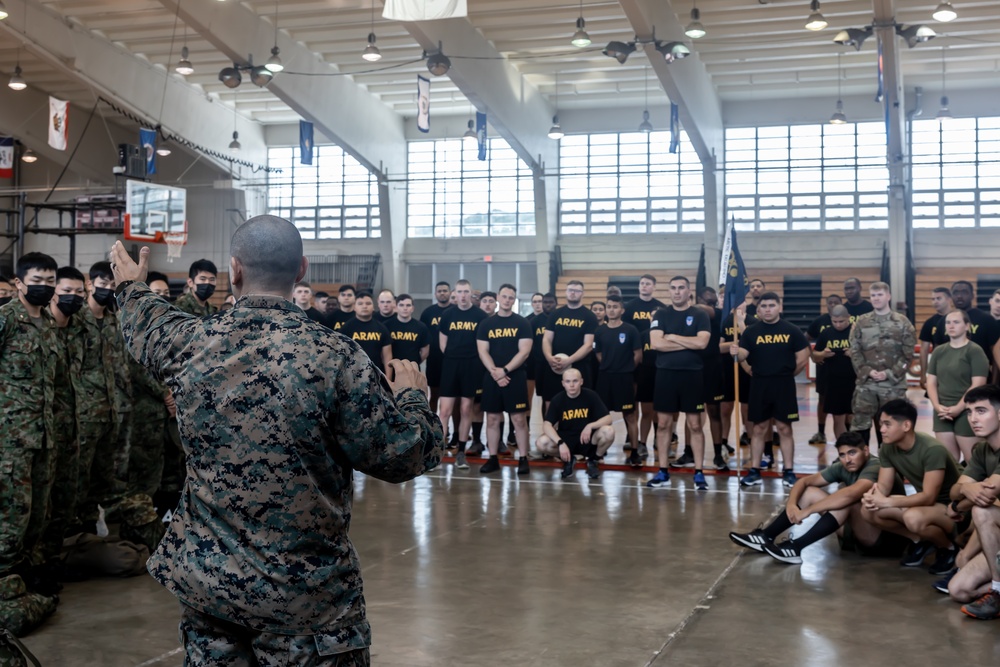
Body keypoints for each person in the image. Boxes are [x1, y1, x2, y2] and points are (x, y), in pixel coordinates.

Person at [109, 216, 443, 665]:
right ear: (301, 270)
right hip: (306, 601)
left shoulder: (190, 343)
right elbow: (403, 455)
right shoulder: (337, 356)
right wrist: (413, 399)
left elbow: (145, 324)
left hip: (212, 592)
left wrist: (130, 288)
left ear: (235, 270)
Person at [729, 432, 907, 564]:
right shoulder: (843, 466)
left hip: (883, 540)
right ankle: (766, 536)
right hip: (855, 535)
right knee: (810, 492)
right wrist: (792, 505)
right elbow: (804, 482)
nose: (847, 459)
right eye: (842, 455)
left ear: (866, 450)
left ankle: (797, 547)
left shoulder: (875, 466)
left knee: (847, 498)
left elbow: (851, 493)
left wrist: (806, 512)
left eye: (852, 453)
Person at [0, 252, 58, 597]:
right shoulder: (6, 319)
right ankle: (5, 582)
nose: (45, 288)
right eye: (37, 282)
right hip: (11, 440)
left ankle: (27, 573)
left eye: (49, 282)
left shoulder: (48, 324)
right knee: (11, 516)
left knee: (38, 513)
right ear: (19, 283)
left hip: (45, 437)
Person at [860, 399, 962, 575]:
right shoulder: (887, 448)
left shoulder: (932, 449)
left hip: (954, 508)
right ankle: (920, 540)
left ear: (906, 425)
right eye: (880, 424)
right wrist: (874, 497)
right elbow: (884, 484)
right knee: (867, 510)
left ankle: (949, 547)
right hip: (927, 504)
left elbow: (929, 496)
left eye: (887, 424)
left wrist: (886, 502)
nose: (881, 430)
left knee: (913, 518)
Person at [731, 291, 810, 488]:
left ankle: (789, 471)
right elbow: (743, 356)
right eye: (764, 306)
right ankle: (755, 470)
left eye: (771, 305)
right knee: (759, 428)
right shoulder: (751, 332)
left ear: (779, 307)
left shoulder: (792, 330)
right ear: (758, 310)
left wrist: (787, 374)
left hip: (783, 384)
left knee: (784, 428)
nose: (768, 309)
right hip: (760, 385)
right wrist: (735, 352)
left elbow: (803, 357)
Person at [77, 261, 130, 530]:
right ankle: (80, 534)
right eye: (103, 283)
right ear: (90, 283)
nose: (107, 289)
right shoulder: (77, 320)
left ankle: (110, 536)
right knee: (80, 478)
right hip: (83, 416)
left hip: (111, 413)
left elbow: (120, 367)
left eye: (112, 285)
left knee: (107, 476)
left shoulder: (113, 321)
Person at [646, 277, 711, 491]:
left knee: (695, 425)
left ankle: (699, 472)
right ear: (669, 291)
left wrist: (672, 337)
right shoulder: (661, 314)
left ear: (688, 291)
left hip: (693, 376)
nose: (677, 292)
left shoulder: (699, 314)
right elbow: (656, 343)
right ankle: (663, 471)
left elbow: (702, 343)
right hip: (666, 375)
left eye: (681, 288)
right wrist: (687, 343)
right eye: (673, 288)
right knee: (663, 425)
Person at [944, 384, 1000, 619]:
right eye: (969, 412)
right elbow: (956, 491)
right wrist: (966, 489)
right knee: (958, 589)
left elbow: (987, 493)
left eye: (981, 411)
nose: (973, 419)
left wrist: (959, 503)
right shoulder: (982, 451)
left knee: (982, 512)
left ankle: (997, 591)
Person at [848, 282, 917, 446]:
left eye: (879, 295)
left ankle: (889, 465)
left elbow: (908, 354)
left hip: (893, 385)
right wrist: (867, 371)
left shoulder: (903, 322)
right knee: (860, 426)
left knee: (891, 426)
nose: (876, 298)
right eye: (873, 295)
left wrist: (889, 373)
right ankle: (862, 466)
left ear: (888, 296)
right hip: (867, 385)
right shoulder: (861, 323)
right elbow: (854, 350)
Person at [476, 284, 532, 476]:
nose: (508, 300)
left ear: (514, 300)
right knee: (492, 419)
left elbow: (524, 352)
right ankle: (492, 458)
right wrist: (495, 372)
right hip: (492, 377)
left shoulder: (522, 323)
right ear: (498, 298)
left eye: (511, 297)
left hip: (515, 376)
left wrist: (505, 370)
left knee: (518, 419)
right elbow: (482, 351)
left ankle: (523, 458)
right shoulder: (486, 324)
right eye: (505, 296)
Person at [438, 279, 489, 469]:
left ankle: (460, 452)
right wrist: (453, 356)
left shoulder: (480, 316)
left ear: (471, 293)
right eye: (459, 292)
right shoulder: (447, 315)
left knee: (466, 409)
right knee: (444, 411)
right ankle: (438, 453)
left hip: (472, 366)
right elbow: (443, 343)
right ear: (455, 294)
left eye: (466, 292)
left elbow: (483, 343)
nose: (463, 295)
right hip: (451, 365)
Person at [927, 309, 990, 462]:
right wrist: (937, 406)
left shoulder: (975, 350)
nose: (951, 326)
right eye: (948, 322)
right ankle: (954, 487)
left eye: (956, 322)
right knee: (949, 460)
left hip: (967, 410)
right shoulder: (939, 351)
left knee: (973, 460)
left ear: (967, 326)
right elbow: (931, 382)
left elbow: (978, 384)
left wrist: (958, 408)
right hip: (942, 411)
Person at [535, 369, 614, 480]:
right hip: (567, 440)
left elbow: (608, 418)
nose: (571, 385)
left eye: (575, 381)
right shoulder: (557, 400)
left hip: (587, 439)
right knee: (541, 443)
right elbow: (547, 425)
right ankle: (569, 459)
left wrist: (590, 425)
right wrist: (560, 442)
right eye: (567, 381)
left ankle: (593, 460)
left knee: (608, 432)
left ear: (581, 381)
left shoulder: (591, 396)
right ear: (563, 383)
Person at [593, 295, 642, 466]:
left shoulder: (631, 330)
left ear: (622, 310)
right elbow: (598, 353)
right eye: (609, 306)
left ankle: (635, 452)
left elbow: (638, 355)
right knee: (601, 415)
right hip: (605, 378)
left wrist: (625, 368)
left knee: (630, 416)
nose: (611, 309)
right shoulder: (599, 331)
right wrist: (608, 365)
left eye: (615, 307)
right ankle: (599, 449)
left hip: (625, 378)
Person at [541, 281, 598, 405]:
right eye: (570, 290)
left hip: (579, 367)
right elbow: (546, 339)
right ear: (566, 292)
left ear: (582, 294)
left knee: (580, 406)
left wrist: (569, 361)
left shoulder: (589, 316)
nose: (573, 293)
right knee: (550, 405)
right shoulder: (555, 314)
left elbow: (588, 345)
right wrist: (549, 358)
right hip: (555, 367)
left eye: (577, 291)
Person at [811, 306, 856, 442]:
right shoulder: (826, 333)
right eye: (835, 321)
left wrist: (854, 353)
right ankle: (842, 448)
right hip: (833, 382)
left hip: (854, 381)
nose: (838, 324)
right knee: (838, 417)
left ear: (848, 317)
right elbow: (814, 357)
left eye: (841, 321)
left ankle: (855, 448)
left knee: (854, 417)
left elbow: (870, 355)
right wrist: (823, 354)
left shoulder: (855, 332)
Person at [696, 286, 728, 471]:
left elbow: (706, 310)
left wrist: (692, 305)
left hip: (713, 368)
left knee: (714, 412)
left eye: (714, 302)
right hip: (693, 367)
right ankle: (689, 451)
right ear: (700, 298)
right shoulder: (690, 316)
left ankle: (717, 453)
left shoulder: (717, 314)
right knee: (691, 412)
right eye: (708, 301)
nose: (712, 305)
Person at [806, 294, 844, 446]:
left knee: (846, 405)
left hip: (845, 371)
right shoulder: (820, 322)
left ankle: (846, 435)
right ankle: (821, 432)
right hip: (825, 369)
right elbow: (805, 338)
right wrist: (815, 355)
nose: (833, 305)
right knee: (822, 400)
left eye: (836, 302)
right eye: (830, 303)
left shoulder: (849, 325)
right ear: (826, 304)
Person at [338, 291, 392, 374]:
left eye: (368, 303)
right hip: (352, 375)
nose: (364, 306)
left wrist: (388, 380)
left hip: (375, 375)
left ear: (373, 307)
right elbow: (340, 354)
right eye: (360, 304)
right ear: (354, 307)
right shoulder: (346, 328)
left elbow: (387, 357)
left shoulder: (382, 328)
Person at [420, 281, 451, 418]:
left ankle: (451, 430)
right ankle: (433, 427)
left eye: (445, 290)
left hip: (452, 360)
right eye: (440, 291)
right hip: (434, 360)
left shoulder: (454, 312)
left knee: (451, 398)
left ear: (449, 293)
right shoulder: (428, 313)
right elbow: (422, 335)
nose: (442, 293)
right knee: (434, 395)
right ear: (435, 294)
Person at [950, 280, 995, 364]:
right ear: (951, 296)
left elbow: (996, 354)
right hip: (949, 375)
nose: (959, 296)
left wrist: (994, 377)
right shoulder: (944, 321)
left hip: (980, 373)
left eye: (964, 292)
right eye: (955, 292)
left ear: (972, 296)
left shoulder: (987, 320)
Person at [919, 287, 953, 389]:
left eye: (939, 298)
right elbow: (924, 350)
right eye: (933, 299)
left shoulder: (959, 319)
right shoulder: (930, 323)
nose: (935, 302)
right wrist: (923, 374)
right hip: (939, 368)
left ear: (948, 299)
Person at [386, 294, 430, 365]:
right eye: (401, 305)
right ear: (396, 307)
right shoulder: (387, 326)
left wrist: (415, 363)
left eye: (408, 305)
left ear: (412, 308)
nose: (405, 308)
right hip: (392, 367)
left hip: (412, 368)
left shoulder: (421, 327)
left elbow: (425, 351)